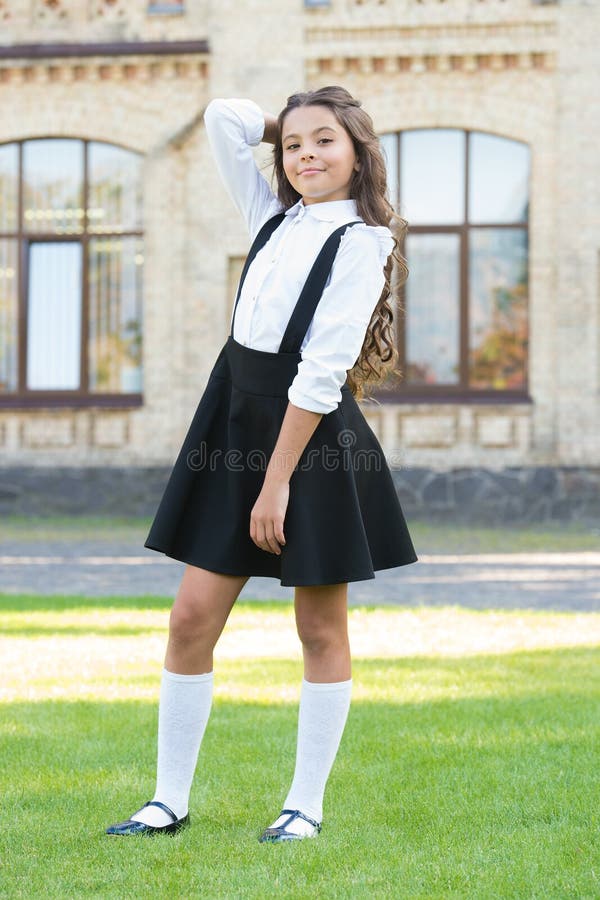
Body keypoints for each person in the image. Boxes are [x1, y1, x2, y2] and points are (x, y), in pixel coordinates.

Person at [105, 85, 418, 843]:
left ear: (359, 154)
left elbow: (319, 374)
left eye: (327, 143)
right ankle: (167, 800)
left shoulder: (361, 243)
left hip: (304, 440)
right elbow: (224, 118)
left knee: (318, 627)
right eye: (295, 146)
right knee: (189, 619)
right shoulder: (274, 218)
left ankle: (303, 805)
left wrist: (274, 482)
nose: (307, 156)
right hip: (233, 416)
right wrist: (299, 121)